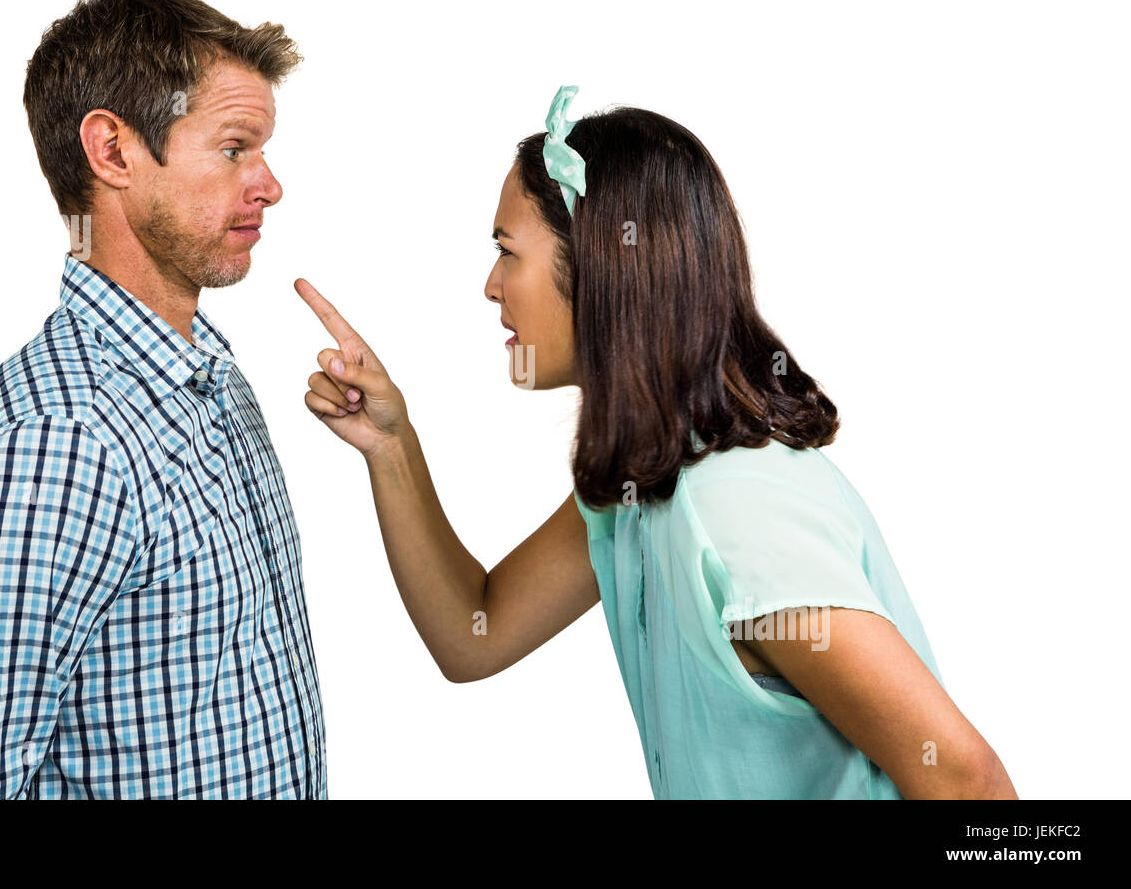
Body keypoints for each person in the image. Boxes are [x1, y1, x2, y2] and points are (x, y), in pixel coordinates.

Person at [296, 85, 1017, 799]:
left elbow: (965, 781)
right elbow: (474, 634)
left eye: (506, 252)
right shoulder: (642, 483)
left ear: (603, 267)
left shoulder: (738, 514)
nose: (490, 286)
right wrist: (391, 448)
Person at [0, 0, 325, 799]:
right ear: (112, 151)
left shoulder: (211, 381)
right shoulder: (62, 442)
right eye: (234, 148)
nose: (269, 184)